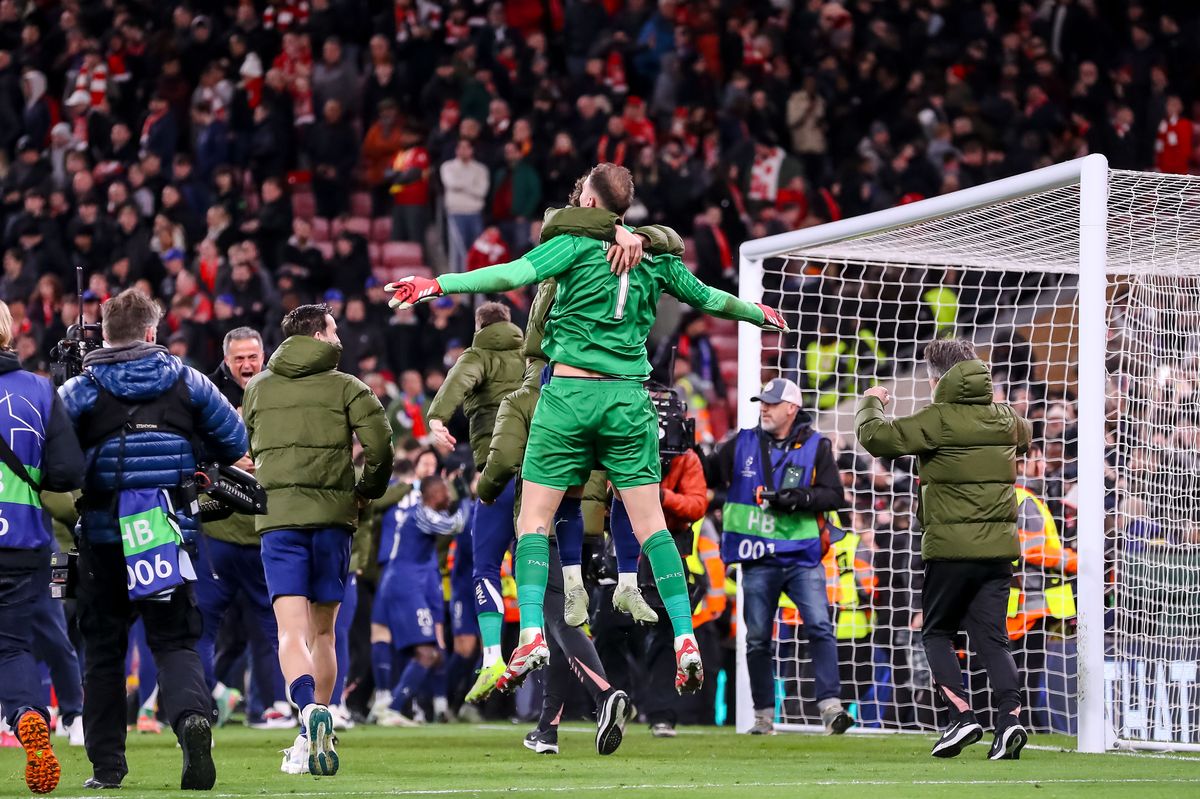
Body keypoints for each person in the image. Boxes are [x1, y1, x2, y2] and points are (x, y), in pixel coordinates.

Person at [388, 163, 787, 698]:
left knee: (534, 519)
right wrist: (756, 313)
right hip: (628, 398)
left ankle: (530, 633)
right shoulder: (657, 258)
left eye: (582, 193)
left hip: (570, 396)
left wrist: (436, 284)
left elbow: (506, 275)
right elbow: (712, 299)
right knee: (652, 526)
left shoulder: (574, 246)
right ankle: (686, 638)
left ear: (593, 203)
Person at [60, 289, 247, 790]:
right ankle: (190, 719)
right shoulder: (190, 381)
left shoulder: (82, 388)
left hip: (103, 535)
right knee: (174, 641)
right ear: (151, 332)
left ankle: (107, 770)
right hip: (170, 532)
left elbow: (52, 455)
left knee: (103, 652)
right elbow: (236, 441)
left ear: (103, 334)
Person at [855, 339, 1033, 760]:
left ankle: (962, 717)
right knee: (993, 638)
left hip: (950, 551)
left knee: (936, 632)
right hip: (997, 552)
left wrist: (870, 402)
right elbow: (1024, 437)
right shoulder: (1007, 417)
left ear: (938, 379)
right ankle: (1009, 719)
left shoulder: (939, 419)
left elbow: (877, 439)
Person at [242, 303, 393, 777]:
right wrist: (364, 493)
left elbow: (250, 444)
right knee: (323, 632)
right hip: (333, 521)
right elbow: (381, 446)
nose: (339, 336)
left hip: (279, 520)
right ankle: (311, 734)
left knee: (289, 632)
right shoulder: (348, 386)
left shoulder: (258, 388)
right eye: (334, 329)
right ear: (319, 335)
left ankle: (308, 713)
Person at [712, 377, 853, 735]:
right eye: (762, 402)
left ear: (792, 408)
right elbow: (708, 474)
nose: (764, 408)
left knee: (820, 627)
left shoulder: (817, 445)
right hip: (757, 557)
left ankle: (830, 706)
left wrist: (800, 498)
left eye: (772, 403)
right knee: (757, 638)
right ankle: (762, 716)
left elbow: (834, 495)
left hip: (801, 556)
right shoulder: (741, 442)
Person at [0, 300, 85, 795]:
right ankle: (29, 714)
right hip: (22, 541)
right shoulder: (38, 389)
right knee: (11, 647)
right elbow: (69, 471)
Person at [196, 327, 287, 729]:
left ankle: (276, 706)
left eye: (253, 356)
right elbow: (192, 451)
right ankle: (199, 707)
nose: (248, 365)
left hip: (264, 529)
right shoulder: (203, 392)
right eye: (240, 359)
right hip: (218, 529)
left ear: (264, 355)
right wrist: (229, 463)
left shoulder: (281, 386)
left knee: (274, 623)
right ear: (225, 358)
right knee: (204, 625)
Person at [370, 475, 467, 726]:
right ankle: (392, 707)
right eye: (445, 491)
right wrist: (467, 500)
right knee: (426, 652)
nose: (448, 496)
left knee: (415, 651)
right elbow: (454, 525)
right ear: (433, 493)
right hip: (405, 585)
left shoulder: (418, 514)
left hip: (404, 582)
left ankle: (398, 705)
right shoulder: (422, 514)